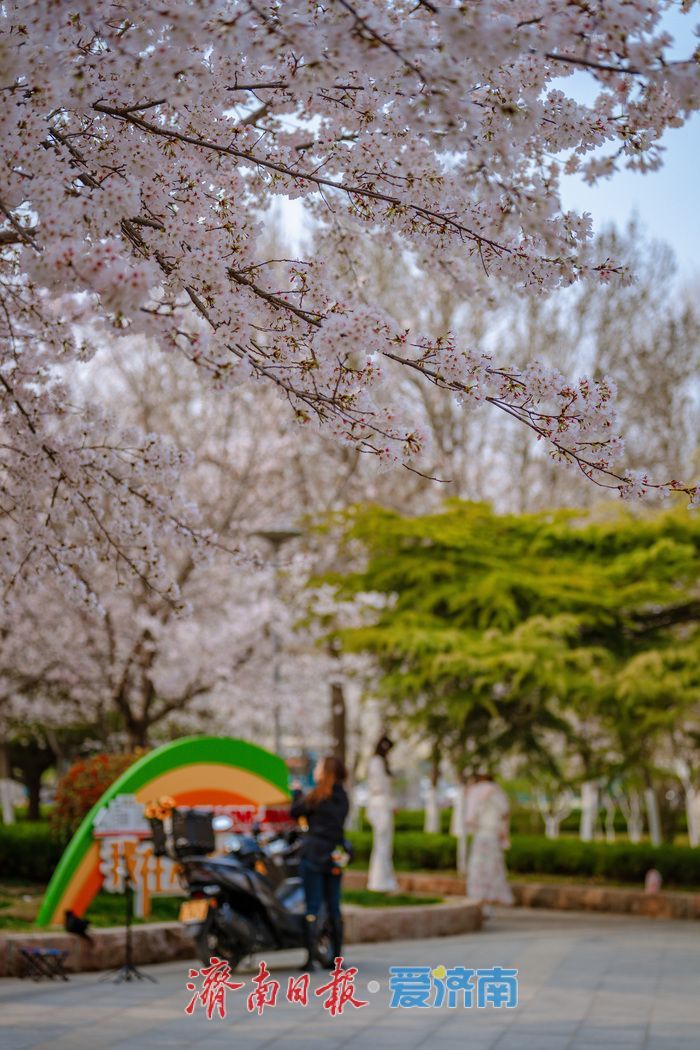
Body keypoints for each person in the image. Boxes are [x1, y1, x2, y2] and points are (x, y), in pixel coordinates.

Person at [290, 754, 349, 972]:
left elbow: (295, 812)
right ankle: (336, 958)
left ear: (326, 773)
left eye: (319, 768)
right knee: (333, 906)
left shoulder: (316, 796)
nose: (315, 772)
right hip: (335, 854)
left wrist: (296, 793)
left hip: (313, 854)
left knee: (312, 905)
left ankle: (310, 957)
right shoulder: (343, 797)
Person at [465, 773, 514, 914]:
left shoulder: (475, 791)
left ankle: (480, 900)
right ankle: (488, 903)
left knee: (478, 867)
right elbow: (504, 811)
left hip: (480, 833)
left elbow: (470, 817)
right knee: (490, 868)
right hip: (491, 833)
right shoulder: (495, 791)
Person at [366, 733, 398, 892]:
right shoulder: (376, 762)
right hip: (380, 805)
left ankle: (383, 879)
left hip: (383, 804)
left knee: (384, 844)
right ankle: (379, 881)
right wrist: (390, 802)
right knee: (382, 843)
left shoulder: (378, 762)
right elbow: (380, 786)